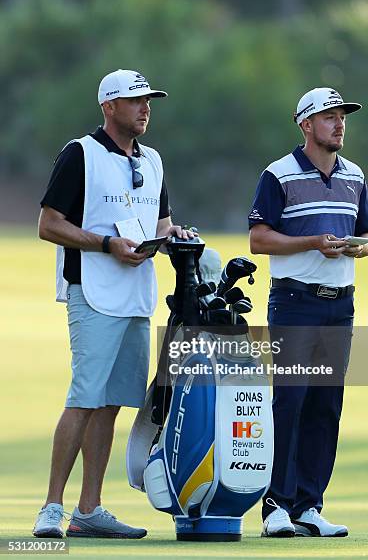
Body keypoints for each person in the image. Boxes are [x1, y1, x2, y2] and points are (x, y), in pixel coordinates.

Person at [33, 69, 194, 539]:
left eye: (149, 101)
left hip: (135, 296)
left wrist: (175, 236)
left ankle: (89, 509)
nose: (146, 108)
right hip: (94, 292)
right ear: (109, 106)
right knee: (84, 398)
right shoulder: (80, 153)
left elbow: (160, 224)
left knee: (111, 405)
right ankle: (51, 507)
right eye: (135, 101)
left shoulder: (154, 160)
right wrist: (106, 245)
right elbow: (48, 224)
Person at [249, 87, 368, 538]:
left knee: (326, 405)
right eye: (329, 117)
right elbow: (259, 239)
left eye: (342, 116)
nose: (339, 123)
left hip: (340, 304)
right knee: (290, 401)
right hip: (295, 302)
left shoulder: (354, 176)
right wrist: (311, 242)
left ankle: (309, 504)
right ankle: (276, 508)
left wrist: (361, 248)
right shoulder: (278, 174)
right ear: (306, 124)